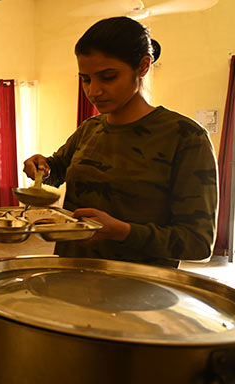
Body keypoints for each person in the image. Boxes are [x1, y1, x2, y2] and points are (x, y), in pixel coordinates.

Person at [23, 17, 218, 268]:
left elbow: (198, 242)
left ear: (143, 67)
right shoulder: (90, 129)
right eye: (86, 79)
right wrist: (43, 167)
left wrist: (122, 231)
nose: (94, 91)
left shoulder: (185, 137)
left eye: (108, 77)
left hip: (139, 289)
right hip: (71, 275)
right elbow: (58, 169)